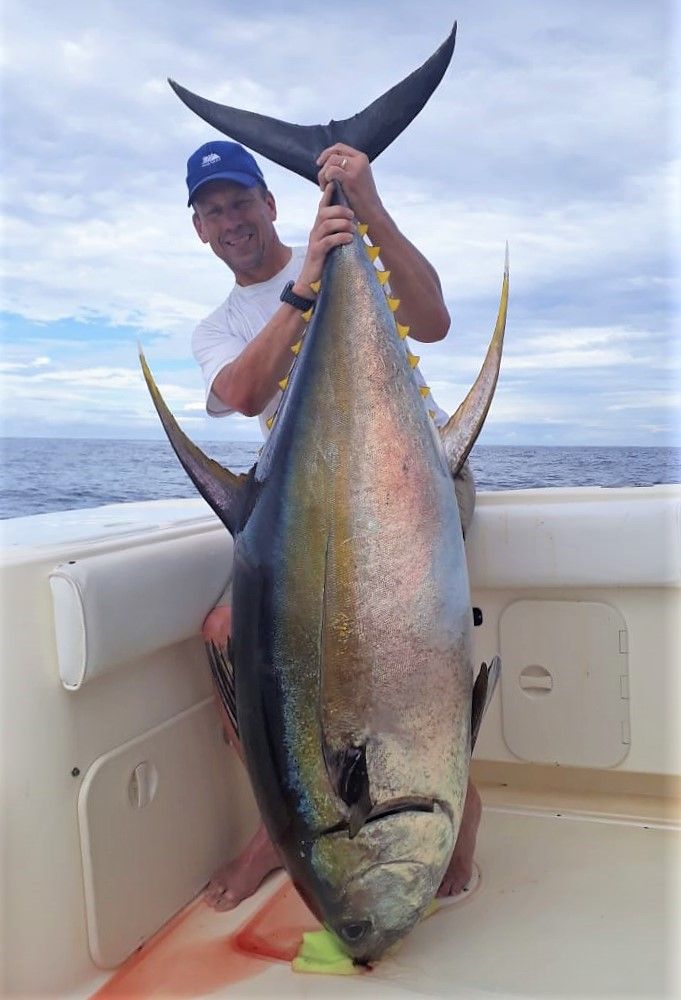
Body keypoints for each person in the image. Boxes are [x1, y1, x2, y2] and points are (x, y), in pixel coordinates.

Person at [187, 139, 481, 911]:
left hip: (415, 475)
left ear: (270, 204)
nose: (231, 221)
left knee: (407, 636)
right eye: (212, 211)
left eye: (241, 202)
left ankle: (460, 801)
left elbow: (435, 321)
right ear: (199, 231)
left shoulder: (354, 246)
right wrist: (305, 282)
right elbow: (245, 394)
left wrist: (367, 204)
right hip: (309, 508)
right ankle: (279, 816)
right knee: (223, 630)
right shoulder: (217, 326)